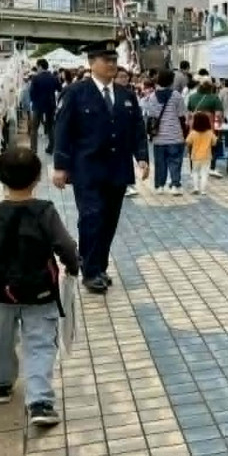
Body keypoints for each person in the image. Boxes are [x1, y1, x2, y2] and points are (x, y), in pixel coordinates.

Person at [0, 148, 79, 426]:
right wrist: (72, 265)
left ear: (1, 179)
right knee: (40, 344)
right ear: (37, 178)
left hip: (1, 292)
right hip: (40, 290)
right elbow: (65, 244)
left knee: (0, 340)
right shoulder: (45, 211)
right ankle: (40, 402)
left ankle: (2, 384)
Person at [53, 41, 149, 293]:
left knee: (109, 221)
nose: (112, 64)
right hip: (87, 170)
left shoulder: (126, 95)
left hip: (117, 170)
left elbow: (137, 129)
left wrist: (142, 157)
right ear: (92, 63)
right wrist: (60, 166)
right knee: (91, 218)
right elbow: (62, 130)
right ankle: (90, 270)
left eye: (114, 60)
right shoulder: (75, 93)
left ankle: (100, 266)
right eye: (106, 60)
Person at [141, 68, 188, 196]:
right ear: (171, 81)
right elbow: (181, 115)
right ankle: (175, 185)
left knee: (160, 163)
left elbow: (151, 115)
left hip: (159, 137)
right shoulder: (176, 95)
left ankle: (159, 186)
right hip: (175, 135)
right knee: (175, 161)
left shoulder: (152, 97)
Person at [28, 59, 61, 156]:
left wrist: (34, 101)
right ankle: (51, 147)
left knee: (34, 128)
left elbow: (32, 93)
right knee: (50, 127)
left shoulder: (35, 78)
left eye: (37, 67)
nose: (37, 69)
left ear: (40, 66)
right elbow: (59, 89)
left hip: (38, 105)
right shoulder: (54, 77)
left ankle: (34, 150)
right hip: (50, 105)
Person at [186, 111, 215, 194]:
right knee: (204, 173)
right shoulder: (210, 133)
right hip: (207, 156)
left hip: (195, 156)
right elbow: (214, 142)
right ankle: (203, 190)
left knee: (195, 172)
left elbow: (188, 141)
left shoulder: (193, 133)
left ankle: (196, 188)